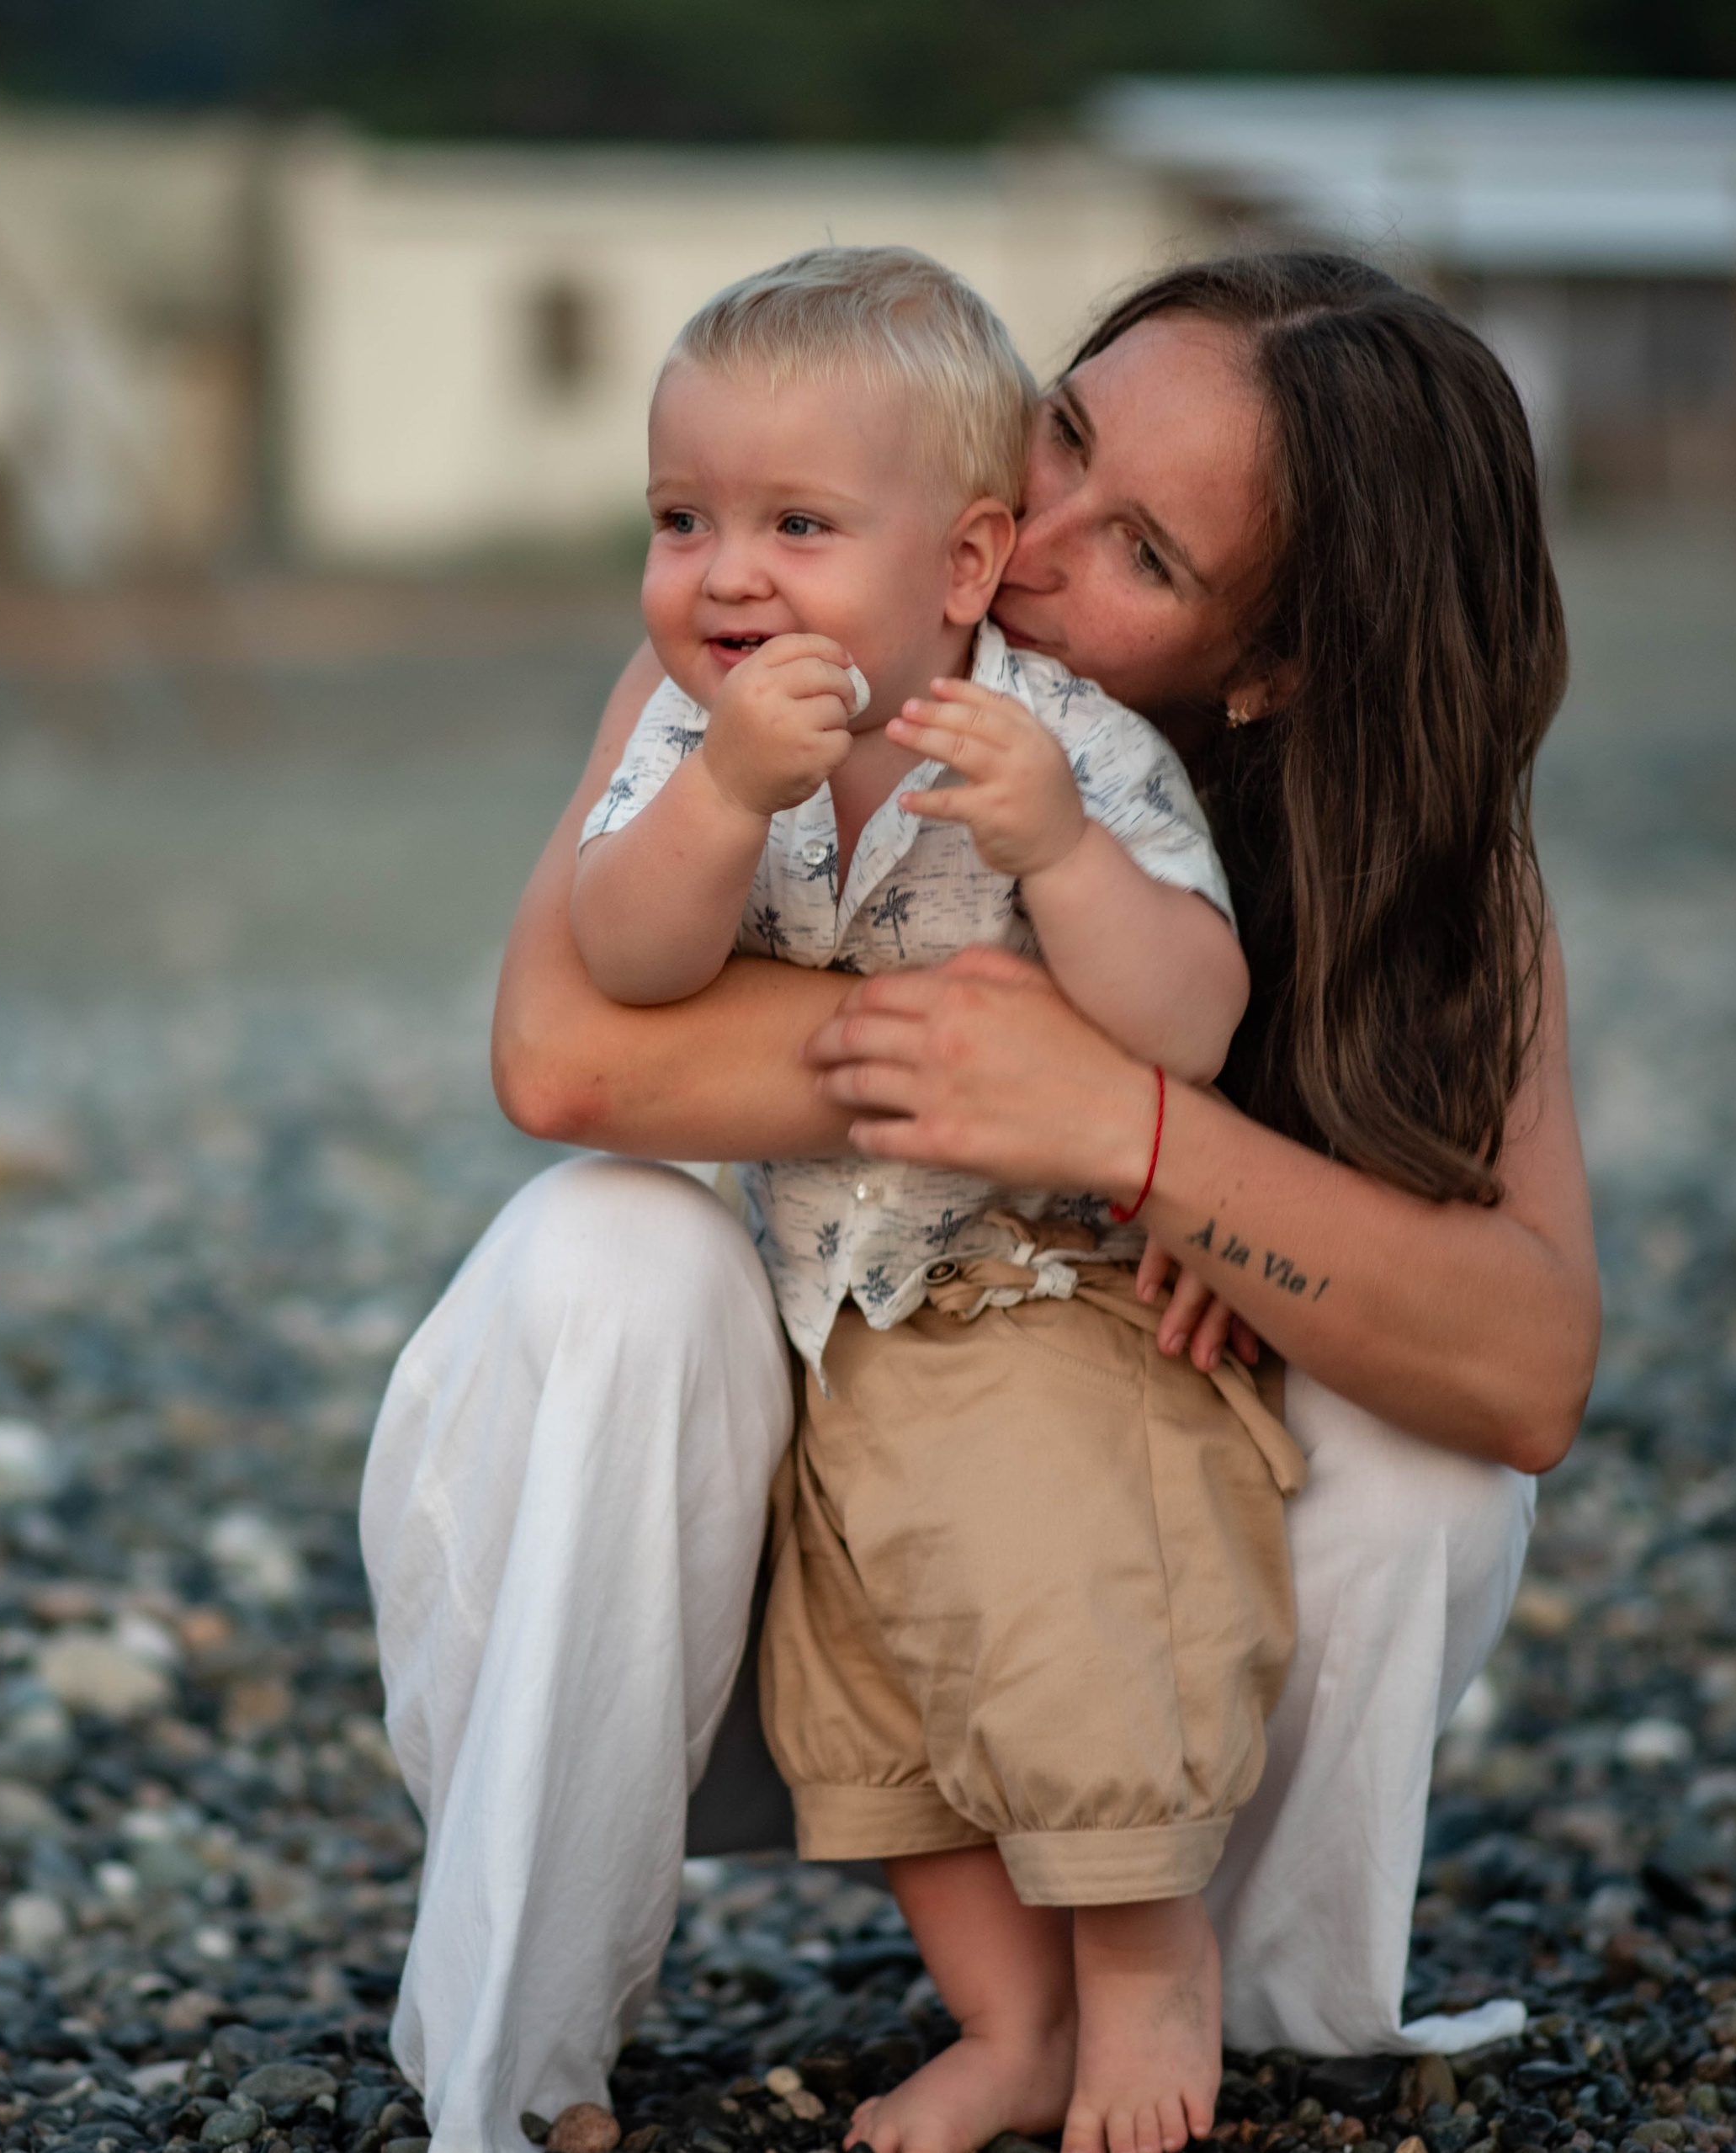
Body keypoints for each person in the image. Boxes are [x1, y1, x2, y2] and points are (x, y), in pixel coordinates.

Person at [359, 251, 1602, 2153]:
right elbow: (562, 1060)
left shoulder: (1412, 865)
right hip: (735, 1566)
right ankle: (510, 2065)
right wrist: (977, 1075)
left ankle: (1195, 1981)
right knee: (609, 1252)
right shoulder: (771, 651)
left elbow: (1521, 1371)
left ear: (1271, 663)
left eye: (1141, 557)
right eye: (1066, 432)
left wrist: (1145, 1137)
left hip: (1087, 1560)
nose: (1026, 543)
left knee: (1428, 1449)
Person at [568, 244, 1294, 2153]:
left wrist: (1057, 850)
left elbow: (1190, 1019)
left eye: (796, 524)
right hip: (830, 1332)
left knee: (1068, 1642)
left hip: (1038, 1309)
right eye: (679, 518)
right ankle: (1008, 2019)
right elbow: (618, 959)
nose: (724, 573)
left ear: (961, 567)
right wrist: (718, 798)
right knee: (870, 1713)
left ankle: (1143, 1972)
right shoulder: (689, 732)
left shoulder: (1060, 749)